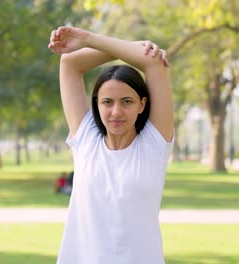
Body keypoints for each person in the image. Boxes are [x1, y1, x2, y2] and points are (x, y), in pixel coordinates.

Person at [48, 26, 173, 263]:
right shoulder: (86, 139)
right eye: (107, 102)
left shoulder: (154, 144)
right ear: (97, 104)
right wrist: (136, 44)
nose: (116, 112)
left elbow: (152, 63)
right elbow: (69, 64)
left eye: (126, 101)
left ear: (142, 104)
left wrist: (88, 39)